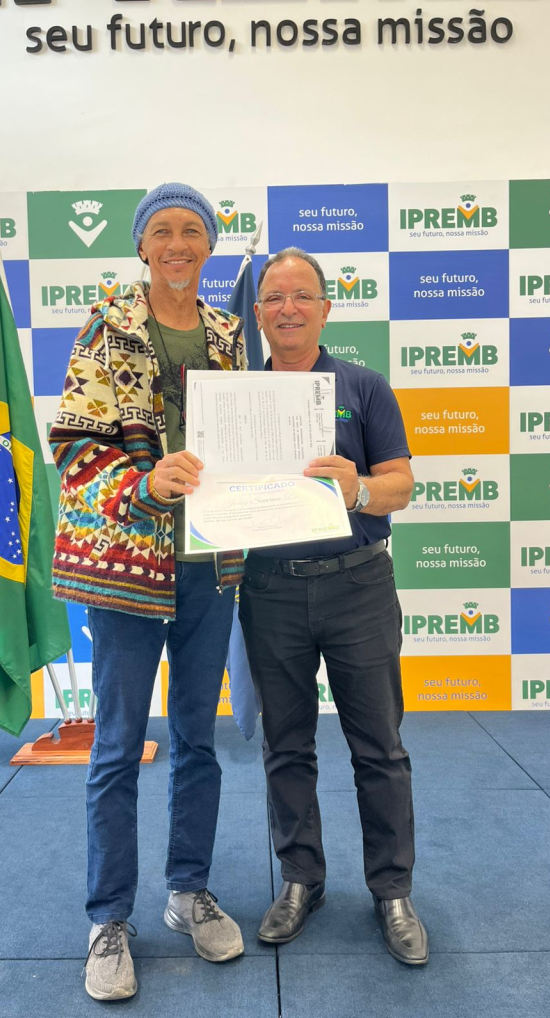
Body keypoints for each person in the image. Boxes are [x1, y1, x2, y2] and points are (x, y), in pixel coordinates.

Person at [49, 183, 247, 1001]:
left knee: (198, 737)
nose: (177, 243)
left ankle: (187, 891)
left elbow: (246, 438)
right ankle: (108, 919)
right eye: (162, 230)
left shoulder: (230, 333)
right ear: (141, 246)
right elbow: (71, 445)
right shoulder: (107, 327)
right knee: (118, 744)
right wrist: (144, 484)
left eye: (192, 230)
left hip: (211, 561)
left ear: (209, 247)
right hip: (126, 564)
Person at [239, 247, 428, 965]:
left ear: (325, 308)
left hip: (359, 586)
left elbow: (401, 484)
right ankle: (301, 880)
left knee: (379, 746)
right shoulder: (235, 398)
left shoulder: (364, 386)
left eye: (301, 296)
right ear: (258, 314)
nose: (287, 308)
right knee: (285, 744)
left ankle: (393, 891)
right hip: (270, 589)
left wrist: (358, 490)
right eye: (274, 297)